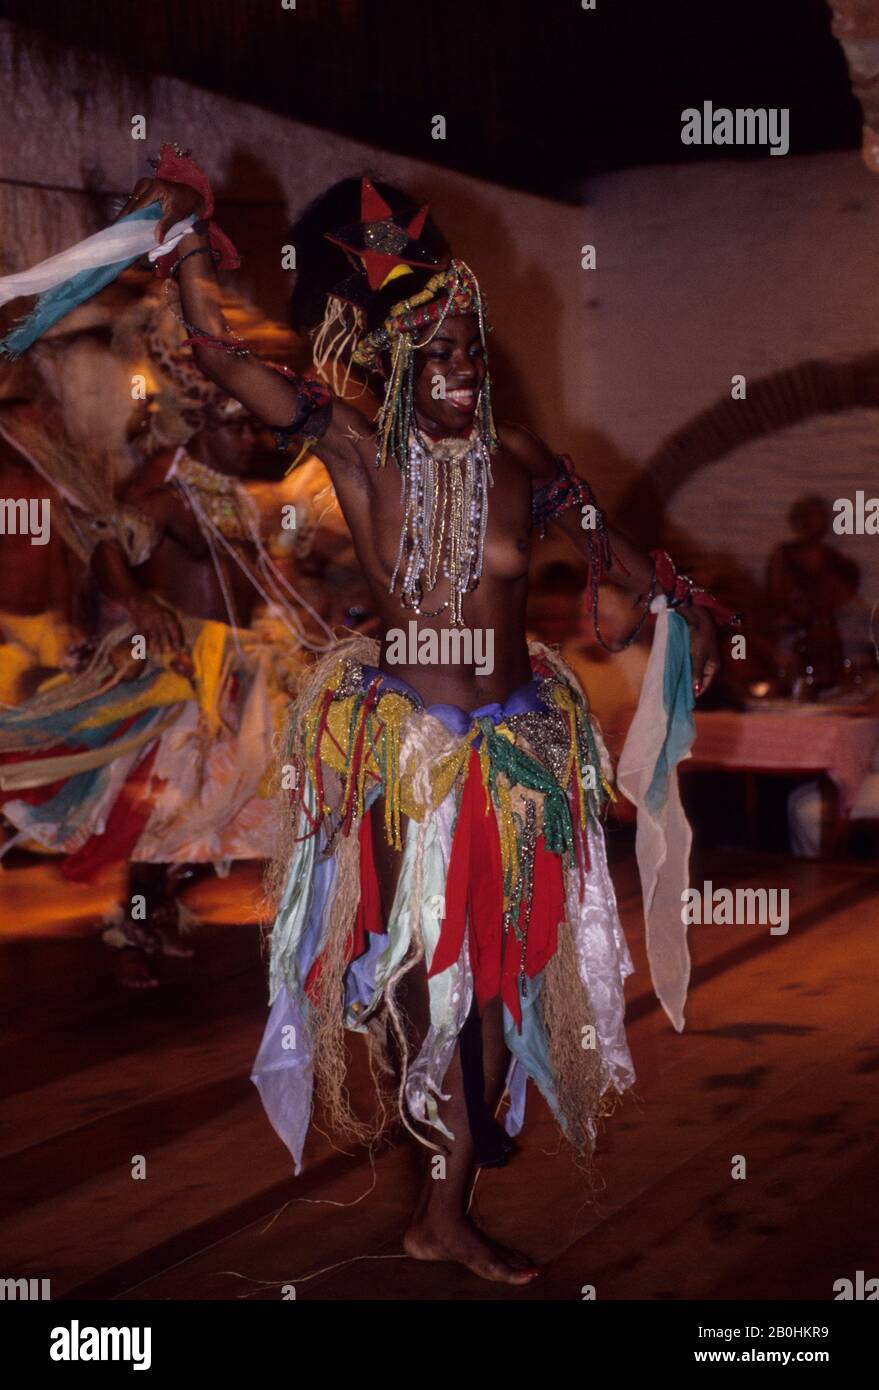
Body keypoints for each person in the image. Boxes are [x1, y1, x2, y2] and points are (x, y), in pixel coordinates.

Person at [87, 153, 735, 1282]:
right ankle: (448, 1150)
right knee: (442, 977)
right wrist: (188, 248)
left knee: (490, 978)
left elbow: (612, 551)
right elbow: (223, 359)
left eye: (469, 350)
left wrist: (678, 609)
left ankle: (447, 1194)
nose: (455, 368)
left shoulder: (521, 462)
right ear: (391, 362)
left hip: (517, 747)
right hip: (417, 754)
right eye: (432, 352)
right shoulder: (356, 445)